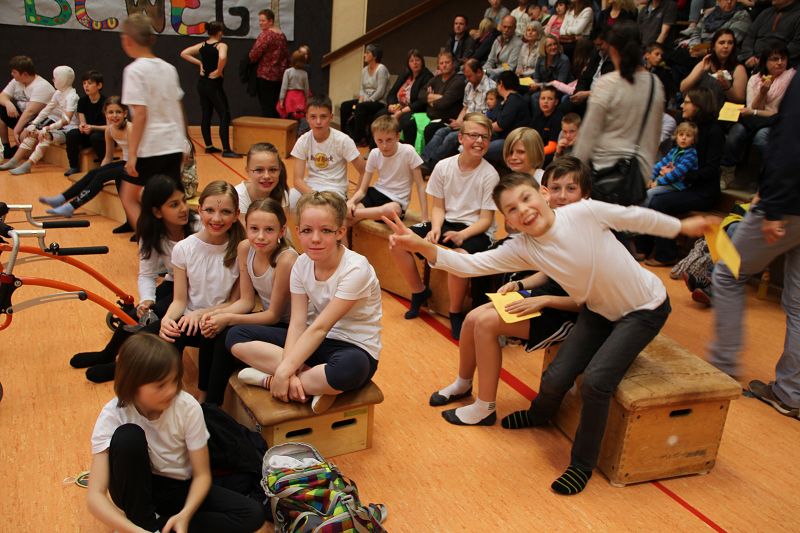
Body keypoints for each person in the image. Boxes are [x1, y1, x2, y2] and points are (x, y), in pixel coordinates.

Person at [384, 167, 712, 495]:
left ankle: (581, 464)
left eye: (526, 198)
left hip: (644, 309)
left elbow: (634, 217)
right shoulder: (524, 247)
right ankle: (539, 415)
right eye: (512, 209)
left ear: (543, 194)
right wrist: (421, 246)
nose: (524, 210)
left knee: (596, 382)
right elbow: (470, 265)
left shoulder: (583, 213)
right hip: (598, 310)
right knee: (556, 376)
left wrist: (681, 227)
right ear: (508, 221)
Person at [425, 158, 588, 428]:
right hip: (544, 297)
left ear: (585, 194)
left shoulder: (588, 234)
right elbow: (549, 271)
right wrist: (522, 285)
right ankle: (463, 383)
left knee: (487, 324)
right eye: (555, 188)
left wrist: (543, 299)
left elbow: (590, 302)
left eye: (571, 189)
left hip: (568, 312)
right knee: (473, 317)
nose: (561, 196)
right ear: (545, 192)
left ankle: (484, 408)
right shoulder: (555, 225)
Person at [86, 334, 266, 532]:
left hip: (178, 487)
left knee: (253, 514)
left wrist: (185, 514)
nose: (171, 390)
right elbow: (95, 496)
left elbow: (202, 476)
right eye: (160, 385)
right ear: (133, 385)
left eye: (174, 381)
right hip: (137, 491)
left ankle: (161, 525)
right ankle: (143, 524)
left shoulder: (187, 407)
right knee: (128, 437)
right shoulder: (113, 415)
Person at [229, 191, 382, 415]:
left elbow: (321, 327)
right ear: (298, 231)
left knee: (349, 369)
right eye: (307, 230)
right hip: (312, 341)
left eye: (326, 230)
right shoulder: (301, 264)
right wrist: (287, 369)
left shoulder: (356, 269)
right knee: (236, 336)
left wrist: (283, 372)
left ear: (340, 232)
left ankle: (269, 380)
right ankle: (310, 384)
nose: (315, 239)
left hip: (353, 347)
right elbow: (298, 324)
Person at [709, 72, 800, 420]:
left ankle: (722, 366)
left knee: (727, 272)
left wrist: (772, 204)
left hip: (787, 204)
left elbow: (790, 140)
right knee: (798, 304)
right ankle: (790, 392)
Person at [67, 176, 198, 383]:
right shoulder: (151, 233)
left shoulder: (198, 227)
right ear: (157, 212)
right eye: (174, 205)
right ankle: (108, 353)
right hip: (175, 282)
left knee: (153, 320)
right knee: (134, 314)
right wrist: (147, 300)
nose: (183, 209)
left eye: (183, 201)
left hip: (198, 288)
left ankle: (125, 367)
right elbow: (147, 274)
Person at [389, 113, 500, 340]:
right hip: (447, 221)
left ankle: (455, 312)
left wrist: (462, 235)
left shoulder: (490, 174)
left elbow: (485, 220)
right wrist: (436, 228)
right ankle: (419, 291)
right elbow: (438, 207)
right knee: (397, 241)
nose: (479, 141)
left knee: (458, 257)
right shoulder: (443, 166)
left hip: (475, 229)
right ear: (460, 138)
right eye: (473, 135)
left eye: (485, 137)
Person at [200, 198, 298, 405]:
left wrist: (228, 319)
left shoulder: (286, 259)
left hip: (292, 328)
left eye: (269, 230)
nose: (260, 236)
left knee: (227, 334)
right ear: (246, 227)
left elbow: (274, 315)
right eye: (254, 228)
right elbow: (246, 301)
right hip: (271, 320)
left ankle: (212, 405)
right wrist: (215, 315)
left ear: (282, 231)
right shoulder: (245, 248)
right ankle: (204, 395)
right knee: (213, 329)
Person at [159, 181, 245, 402]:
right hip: (190, 318)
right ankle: (169, 394)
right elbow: (179, 300)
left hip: (220, 318)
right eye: (210, 210)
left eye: (225, 212)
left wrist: (203, 314)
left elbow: (236, 302)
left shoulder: (241, 250)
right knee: (167, 334)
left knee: (211, 330)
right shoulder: (184, 248)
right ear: (199, 210)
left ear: (236, 215)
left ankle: (205, 398)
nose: (216, 218)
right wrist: (168, 319)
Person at [635, 87, 724, 266]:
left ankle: (666, 255)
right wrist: (659, 174)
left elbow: (710, 170)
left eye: (687, 102)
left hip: (701, 190)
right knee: (645, 195)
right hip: (680, 182)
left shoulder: (714, 131)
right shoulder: (687, 127)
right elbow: (670, 159)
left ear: (699, 105)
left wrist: (680, 174)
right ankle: (643, 247)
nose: (682, 105)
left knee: (660, 202)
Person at [573, 22, 664, 192]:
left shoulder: (606, 84)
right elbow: (654, 136)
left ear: (612, 49)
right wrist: (645, 175)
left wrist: (575, 176)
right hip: (637, 175)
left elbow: (588, 135)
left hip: (601, 173)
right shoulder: (655, 84)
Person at [119, 14, 188, 231]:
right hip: (174, 144)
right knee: (171, 200)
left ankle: (149, 246)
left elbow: (140, 114)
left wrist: (132, 154)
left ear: (127, 40)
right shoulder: (169, 68)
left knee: (129, 197)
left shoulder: (134, 70)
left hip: (151, 147)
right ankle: (175, 246)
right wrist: (184, 142)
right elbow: (179, 107)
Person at [38, 97, 132, 219]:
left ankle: (71, 207)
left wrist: (103, 175)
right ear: (105, 114)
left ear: (125, 113)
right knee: (94, 173)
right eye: (110, 112)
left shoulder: (131, 129)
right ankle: (61, 199)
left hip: (138, 164)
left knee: (100, 176)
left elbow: (138, 157)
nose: (114, 115)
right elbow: (108, 157)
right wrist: (101, 172)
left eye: (118, 112)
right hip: (126, 162)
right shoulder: (109, 130)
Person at [721, 45, 796, 186]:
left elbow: (779, 113)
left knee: (761, 138)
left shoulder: (792, 79)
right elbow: (752, 108)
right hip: (755, 120)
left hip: (777, 121)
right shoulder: (755, 79)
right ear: (765, 62)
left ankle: (768, 177)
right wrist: (762, 93)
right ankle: (727, 171)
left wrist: (755, 112)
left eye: (783, 58)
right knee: (736, 133)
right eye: (774, 59)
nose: (780, 62)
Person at [347, 115, 428, 225]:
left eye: (389, 140)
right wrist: (351, 201)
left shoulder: (408, 151)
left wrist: (425, 218)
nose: (384, 145)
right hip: (376, 194)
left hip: (396, 201)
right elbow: (362, 190)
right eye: (379, 141)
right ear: (374, 138)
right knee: (346, 218)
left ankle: (355, 213)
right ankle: (355, 214)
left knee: (393, 210)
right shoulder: (374, 154)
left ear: (397, 136)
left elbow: (420, 186)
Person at [289, 95, 365, 209]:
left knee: (322, 211)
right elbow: (297, 180)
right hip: (310, 187)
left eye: (323, 116)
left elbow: (364, 171)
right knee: (289, 200)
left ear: (331, 117)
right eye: (313, 117)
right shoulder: (303, 140)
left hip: (335, 190)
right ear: (307, 118)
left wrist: (354, 200)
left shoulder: (343, 140)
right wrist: (315, 196)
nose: (318, 122)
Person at [1, 66, 79, 176]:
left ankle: (28, 165)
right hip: (58, 126)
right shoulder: (58, 93)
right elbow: (46, 110)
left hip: (69, 130)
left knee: (45, 136)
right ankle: (14, 161)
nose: (53, 80)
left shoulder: (72, 97)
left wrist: (47, 128)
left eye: (55, 78)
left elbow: (66, 120)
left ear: (63, 80)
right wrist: (34, 124)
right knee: (32, 133)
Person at [421, 58, 496, 172]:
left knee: (451, 137)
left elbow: (487, 116)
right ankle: (423, 160)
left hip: (478, 127)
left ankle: (430, 165)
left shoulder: (491, 88)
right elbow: (465, 107)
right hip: (465, 123)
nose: (467, 79)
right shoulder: (469, 85)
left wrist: (465, 125)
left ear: (479, 72)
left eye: (469, 76)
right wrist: (459, 121)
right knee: (441, 132)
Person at [180, 20, 238, 158]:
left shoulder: (203, 45)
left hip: (202, 84)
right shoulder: (221, 45)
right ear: (220, 32)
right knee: (224, 115)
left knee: (207, 113)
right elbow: (222, 57)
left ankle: (209, 146)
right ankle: (226, 149)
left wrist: (200, 63)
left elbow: (184, 53)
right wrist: (219, 70)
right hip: (213, 85)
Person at [398, 51, 465, 151]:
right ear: (438, 65)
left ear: (453, 64)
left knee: (430, 129)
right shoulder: (436, 79)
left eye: (447, 62)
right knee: (408, 123)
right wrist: (438, 97)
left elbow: (444, 104)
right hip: (430, 115)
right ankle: (410, 153)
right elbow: (421, 95)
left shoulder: (458, 81)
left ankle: (428, 158)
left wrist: (429, 100)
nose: (444, 65)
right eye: (441, 63)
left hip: (446, 118)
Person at [0, 55, 54, 160]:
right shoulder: (16, 82)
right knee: (1, 108)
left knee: (23, 135)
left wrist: (16, 131)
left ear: (24, 74)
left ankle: (19, 151)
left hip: (40, 120)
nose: (12, 74)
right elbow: (2, 96)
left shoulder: (42, 86)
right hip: (25, 117)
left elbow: (30, 112)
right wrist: (8, 103)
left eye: (14, 72)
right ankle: (5, 147)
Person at [679, 29, 748, 108]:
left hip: (723, 111)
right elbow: (683, 88)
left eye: (730, 43)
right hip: (700, 108)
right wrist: (701, 70)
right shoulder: (705, 63)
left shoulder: (739, 68)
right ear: (714, 46)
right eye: (721, 43)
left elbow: (740, 99)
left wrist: (727, 87)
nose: (726, 46)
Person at [340, 44, 390, 145]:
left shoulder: (381, 69)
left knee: (360, 107)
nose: (364, 55)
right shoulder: (364, 70)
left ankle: (360, 138)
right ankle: (345, 135)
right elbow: (362, 88)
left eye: (367, 53)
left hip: (378, 101)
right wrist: (361, 98)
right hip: (366, 100)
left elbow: (380, 91)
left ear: (374, 56)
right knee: (345, 105)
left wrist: (368, 100)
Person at [63, 69, 106, 176]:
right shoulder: (82, 101)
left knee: (95, 137)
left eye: (90, 83)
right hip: (89, 132)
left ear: (99, 85)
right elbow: (82, 121)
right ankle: (74, 166)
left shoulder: (106, 102)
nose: (86, 86)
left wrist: (92, 127)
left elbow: (110, 127)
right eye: (84, 83)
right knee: (72, 134)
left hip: (103, 134)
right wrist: (82, 127)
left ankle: (104, 166)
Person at [646, 121, 699, 206]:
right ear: (676, 137)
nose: (684, 138)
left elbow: (677, 173)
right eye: (681, 134)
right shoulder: (674, 150)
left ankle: (642, 212)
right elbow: (660, 164)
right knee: (644, 185)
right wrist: (651, 178)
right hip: (666, 180)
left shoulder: (691, 154)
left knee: (650, 193)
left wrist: (658, 182)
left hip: (678, 184)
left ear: (693, 140)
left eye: (688, 135)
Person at [249, 8, 289, 118]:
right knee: (276, 106)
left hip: (265, 75)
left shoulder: (265, 35)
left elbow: (254, 54)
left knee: (266, 107)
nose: (260, 23)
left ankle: (267, 128)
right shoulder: (282, 35)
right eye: (260, 20)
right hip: (279, 76)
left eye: (263, 20)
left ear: (271, 21)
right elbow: (286, 55)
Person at [384, 49, 434, 136]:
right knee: (380, 115)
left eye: (417, 60)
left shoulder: (427, 76)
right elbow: (392, 93)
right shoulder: (405, 74)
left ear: (422, 61)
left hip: (414, 110)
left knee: (406, 122)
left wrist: (401, 112)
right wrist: (391, 105)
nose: (415, 63)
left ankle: (400, 143)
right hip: (399, 107)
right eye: (411, 61)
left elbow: (421, 102)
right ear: (408, 63)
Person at [485, 71, 532, 164]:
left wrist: (483, 125)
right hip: (504, 137)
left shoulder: (513, 100)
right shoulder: (508, 99)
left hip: (513, 141)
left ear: (501, 84)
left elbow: (500, 125)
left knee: (480, 149)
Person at [738, 0, 800, 68]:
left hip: (780, 65)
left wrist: (769, 60)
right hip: (752, 62)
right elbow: (750, 36)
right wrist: (748, 56)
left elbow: (796, 46)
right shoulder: (766, 12)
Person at [235, 142, 289, 215]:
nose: (267, 176)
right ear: (247, 171)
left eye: (273, 169)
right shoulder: (238, 197)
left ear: (279, 170)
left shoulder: (282, 194)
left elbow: (284, 222)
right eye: (259, 170)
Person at [483, 15, 524, 80]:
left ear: (514, 28)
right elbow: (490, 60)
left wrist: (490, 71)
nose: (506, 30)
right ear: (501, 26)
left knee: (491, 77)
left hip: (506, 75)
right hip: (492, 71)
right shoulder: (497, 40)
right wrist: (484, 70)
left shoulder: (518, 43)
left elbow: (510, 67)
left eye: (509, 27)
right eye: (504, 27)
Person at [277, 50, 310, 121]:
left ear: (293, 60)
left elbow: (284, 87)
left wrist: (281, 100)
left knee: (289, 117)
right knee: (299, 117)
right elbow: (306, 89)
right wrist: (307, 101)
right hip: (301, 97)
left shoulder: (288, 72)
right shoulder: (304, 73)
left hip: (290, 97)